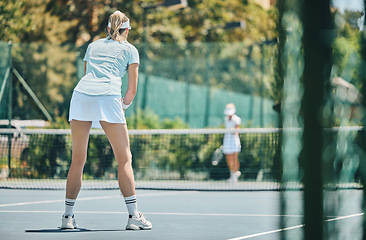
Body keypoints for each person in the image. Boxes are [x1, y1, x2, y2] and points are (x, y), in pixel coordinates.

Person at [61, 10, 152, 230]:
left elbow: (86, 74)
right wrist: (119, 109)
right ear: (127, 30)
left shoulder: (92, 46)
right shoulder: (131, 50)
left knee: (77, 160)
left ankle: (67, 218)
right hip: (109, 98)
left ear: (108, 29)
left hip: (80, 96)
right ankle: (133, 217)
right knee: (125, 160)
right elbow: (130, 92)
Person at [223, 103, 241, 183]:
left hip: (234, 141)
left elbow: (237, 131)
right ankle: (232, 174)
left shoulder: (237, 119)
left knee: (234, 158)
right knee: (228, 159)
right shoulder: (225, 119)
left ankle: (235, 175)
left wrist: (233, 131)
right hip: (227, 140)